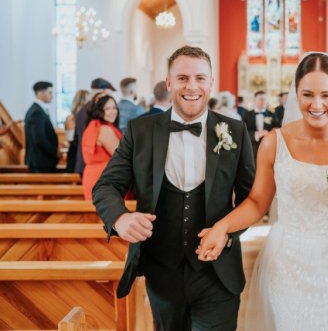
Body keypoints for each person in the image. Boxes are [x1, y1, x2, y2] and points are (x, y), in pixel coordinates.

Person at [197, 52, 328, 330]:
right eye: (307, 94)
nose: (316, 104)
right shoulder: (275, 142)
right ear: (295, 93)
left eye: (326, 95)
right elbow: (256, 202)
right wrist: (222, 227)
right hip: (291, 266)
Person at [93, 45, 255, 331]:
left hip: (217, 273)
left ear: (211, 83)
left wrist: (228, 232)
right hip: (162, 272)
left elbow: (250, 198)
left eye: (200, 78)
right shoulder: (139, 131)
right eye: (182, 78)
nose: (191, 86)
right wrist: (120, 218)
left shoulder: (236, 132)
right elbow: (106, 186)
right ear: (169, 83)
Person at [82, 95, 133, 201]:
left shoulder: (92, 126)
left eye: (114, 108)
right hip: (106, 179)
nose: (112, 111)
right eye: (107, 108)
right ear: (99, 110)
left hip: (93, 176)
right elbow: (123, 155)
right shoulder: (104, 129)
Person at [72, 78, 116, 175]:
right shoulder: (95, 111)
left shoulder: (82, 110)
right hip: (96, 165)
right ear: (104, 92)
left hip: (85, 163)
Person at [24, 81, 60, 173]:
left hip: (41, 162)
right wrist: (55, 152)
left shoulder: (37, 110)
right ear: (40, 93)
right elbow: (39, 139)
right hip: (41, 163)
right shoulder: (36, 112)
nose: (52, 96)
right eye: (49, 93)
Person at [243, 90, 279, 159]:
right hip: (252, 147)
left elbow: (277, 128)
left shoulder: (272, 114)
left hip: (268, 147)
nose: (263, 101)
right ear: (255, 100)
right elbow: (243, 132)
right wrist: (256, 134)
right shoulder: (247, 115)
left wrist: (272, 133)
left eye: (265, 99)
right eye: (261, 99)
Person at [65, 90, 91, 172]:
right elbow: (70, 139)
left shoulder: (72, 118)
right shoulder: (71, 118)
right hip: (76, 153)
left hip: (82, 151)